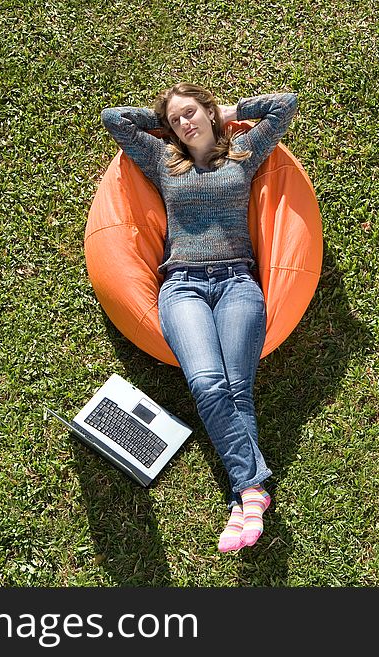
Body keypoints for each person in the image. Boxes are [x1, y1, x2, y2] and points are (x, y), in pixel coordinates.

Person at [101, 83, 298, 552]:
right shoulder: (163, 160)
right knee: (209, 383)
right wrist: (161, 124)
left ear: (209, 113)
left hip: (237, 284)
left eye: (191, 113)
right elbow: (114, 118)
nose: (184, 123)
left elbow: (284, 105)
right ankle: (252, 488)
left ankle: (242, 507)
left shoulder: (244, 152)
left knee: (236, 390)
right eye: (176, 120)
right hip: (182, 286)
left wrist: (231, 111)